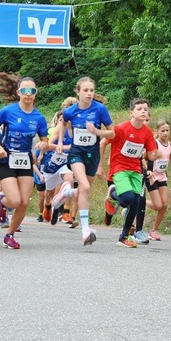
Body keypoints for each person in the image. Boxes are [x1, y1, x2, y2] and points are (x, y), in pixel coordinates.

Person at [0, 73, 49, 250]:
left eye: (32, 90)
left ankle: (10, 235)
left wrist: (43, 146)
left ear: (35, 93)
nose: (28, 94)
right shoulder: (8, 111)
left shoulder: (38, 118)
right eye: (25, 90)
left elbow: (44, 140)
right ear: (18, 92)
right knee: (14, 201)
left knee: (24, 201)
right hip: (6, 158)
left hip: (25, 160)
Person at [52, 77, 113, 246]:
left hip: (92, 154)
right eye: (85, 90)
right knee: (84, 186)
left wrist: (96, 132)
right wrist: (59, 142)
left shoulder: (100, 110)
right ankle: (85, 230)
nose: (89, 93)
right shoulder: (70, 111)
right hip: (76, 153)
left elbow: (112, 133)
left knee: (84, 191)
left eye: (92, 90)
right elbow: (63, 123)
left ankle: (66, 193)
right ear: (78, 92)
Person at [101, 98, 158, 248]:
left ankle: (124, 237)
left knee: (136, 202)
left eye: (145, 109)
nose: (143, 111)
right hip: (119, 168)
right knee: (127, 198)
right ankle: (113, 195)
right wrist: (99, 166)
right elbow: (103, 142)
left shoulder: (147, 132)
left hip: (136, 170)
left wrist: (154, 154)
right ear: (131, 112)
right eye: (139, 109)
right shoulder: (121, 128)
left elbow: (151, 154)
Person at [145, 119, 171, 241]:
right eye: (162, 131)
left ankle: (153, 230)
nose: (165, 133)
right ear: (157, 131)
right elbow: (143, 157)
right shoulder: (153, 143)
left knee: (164, 205)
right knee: (157, 205)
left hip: (162, 176)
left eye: (167, 130)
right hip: (151, 176)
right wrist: (147, 171)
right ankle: (139, 201)